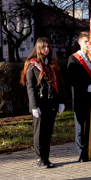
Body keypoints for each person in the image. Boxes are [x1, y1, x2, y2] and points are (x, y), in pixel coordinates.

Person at [21, 37, 64, 168]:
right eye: (43, 47)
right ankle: (40, 159)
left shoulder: (51, 62)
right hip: (40, 103)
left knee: (48, 132)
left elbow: (58, 83)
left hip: (51, 102)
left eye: (48, 46)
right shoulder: (32, 64)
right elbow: (30, 87)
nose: (46, 49)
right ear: (38, 48)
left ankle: (46, 157)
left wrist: (61, 101)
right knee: (39, 132)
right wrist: (34, 106)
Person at [66, 31, 91, 162]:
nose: (88, 44)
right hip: (80, 98)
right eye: (85, 41)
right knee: (80, 128)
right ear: (79, 42)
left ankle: (90, 152)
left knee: (90, 127)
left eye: (89, 42)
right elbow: (71, 79)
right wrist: (85, 88)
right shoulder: (73, 58)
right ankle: (82, 153)